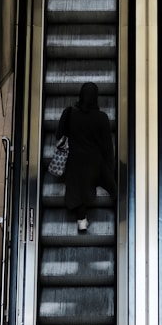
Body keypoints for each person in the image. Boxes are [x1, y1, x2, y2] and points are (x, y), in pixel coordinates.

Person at [56, 81, 116, 233]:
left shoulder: (69, 113)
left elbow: (59, 135)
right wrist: (110, 169)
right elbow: (108, 148)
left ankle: (81, 219)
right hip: (95, 163)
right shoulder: (102, 117)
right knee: (104, 181)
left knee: (77, 184)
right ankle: (120, 205)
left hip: (74, 162)